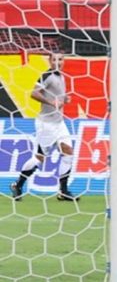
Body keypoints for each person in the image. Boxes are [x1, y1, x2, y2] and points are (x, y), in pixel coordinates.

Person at [10, 53, 78, 201]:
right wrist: (51, 102)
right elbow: (34, 93)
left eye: (60, 59)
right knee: (39, 158)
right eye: (55, 59)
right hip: (46, 124)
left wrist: (64, 99)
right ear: (50, 61)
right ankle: (17, 184)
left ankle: (63, 191)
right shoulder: (47, 75)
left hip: (59, 123)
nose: (58, 62)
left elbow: (57, 97)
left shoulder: (61, 76)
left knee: (68, 152)